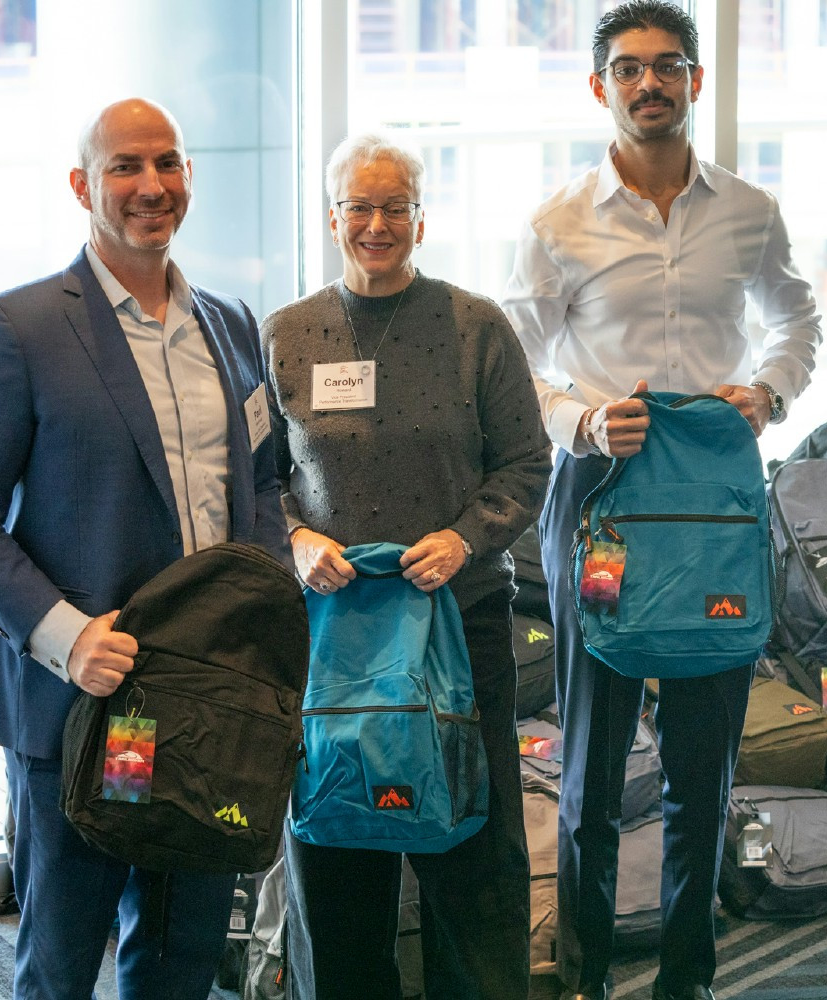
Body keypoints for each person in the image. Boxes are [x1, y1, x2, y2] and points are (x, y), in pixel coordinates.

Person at [0, 98, 288, 999]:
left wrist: (268, 601)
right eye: (126, 167)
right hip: (85, 709)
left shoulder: (234, 325)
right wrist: (65, 637)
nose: (151, 186)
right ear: (85, 185)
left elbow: (267, 483)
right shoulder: (19, 328)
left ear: (189, 179)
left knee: (182, 954)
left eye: (168, 164)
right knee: (63, 955)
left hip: (208, 712)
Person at [502, 3, 821, 997]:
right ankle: (587, 978)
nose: (651, 84)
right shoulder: (557, 222)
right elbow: (515, 369)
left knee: (700, 771)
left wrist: (770, 389)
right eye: (630, 69)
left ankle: (689, 979)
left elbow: (796, 317)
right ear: (600, 87)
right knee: (594, 774)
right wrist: (584, 423)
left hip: (716, 509)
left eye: (668, 67)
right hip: (601, 501)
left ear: (694, 80)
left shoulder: (751, 210)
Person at [263, 132, 551, 1000]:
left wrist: (467, 535)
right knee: (337, 843)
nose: (377, 224)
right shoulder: (288, 334)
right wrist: (295, 540)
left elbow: (527, 465)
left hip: (456, 629)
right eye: (360, 207)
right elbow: (252, 479)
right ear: (332, 217)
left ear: (422, 220)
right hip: (333, 637)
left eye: (396, 207)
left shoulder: (476, 327)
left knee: (469, 847)